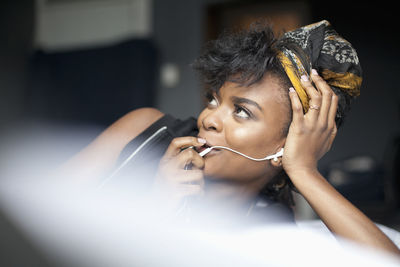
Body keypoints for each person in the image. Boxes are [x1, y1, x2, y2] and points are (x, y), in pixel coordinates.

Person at [60, 20, 400, 254]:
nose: (209, 118)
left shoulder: (270, 224)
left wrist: (305, 172)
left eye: (242, 111)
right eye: (213, 99)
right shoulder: (147, 129)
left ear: (285, 147)